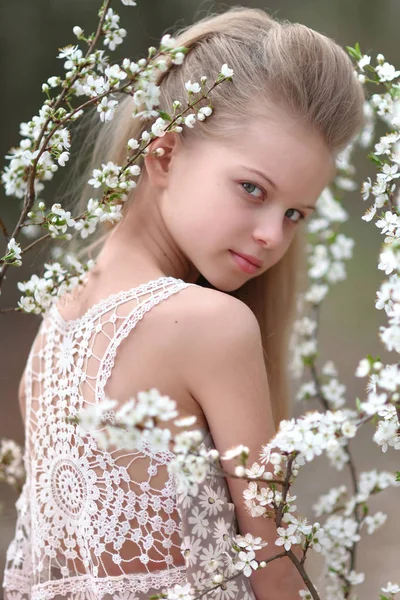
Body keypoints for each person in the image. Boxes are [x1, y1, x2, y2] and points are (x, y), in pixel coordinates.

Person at [3, 5, 365, 600]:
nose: (274, 235)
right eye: (253, 189)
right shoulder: (211, 326)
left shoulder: (51, 328)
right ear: (165, 153)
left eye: (295, 213)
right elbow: (276, 571)